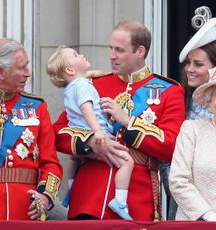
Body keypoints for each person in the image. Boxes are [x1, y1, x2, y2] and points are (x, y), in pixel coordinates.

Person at [53, 20, 185, 221]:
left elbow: (172, 147)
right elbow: (57, 132)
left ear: (140, 51)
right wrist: (90, 143)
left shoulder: (169, 92)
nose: (111, 56)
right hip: (88, 197)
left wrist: (129, 122)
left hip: (135, 201)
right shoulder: (93, 85)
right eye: (111, 48)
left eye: (120, 50)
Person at [46, 46, 134, 220]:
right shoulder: (84, 85)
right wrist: (96, 134)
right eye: (76, 55)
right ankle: (120, 201)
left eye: (119, 49)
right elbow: (85, 110)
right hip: (96, 134)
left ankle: (70, 191)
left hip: (79, 132)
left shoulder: (72, 85)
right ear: (70, 69)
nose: (112, 54)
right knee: (127, 161)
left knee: (74, 158)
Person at [0, 38, 63, 220]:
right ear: (0, 72)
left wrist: (45, 196)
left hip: (26, 211)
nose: (28, 73)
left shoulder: (37, 106)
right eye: (21, 68)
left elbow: (50, 163)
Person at [160, 8, 215, 220]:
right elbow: (169, 162)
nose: (189, 69)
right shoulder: (176, 97)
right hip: (185, 206)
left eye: (198, 64)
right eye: (188, 63)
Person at [169, 65, 216, 221]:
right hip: (195, 223)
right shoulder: (192, 129)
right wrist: (208, 216)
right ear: (210, 99)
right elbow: (178, 180)